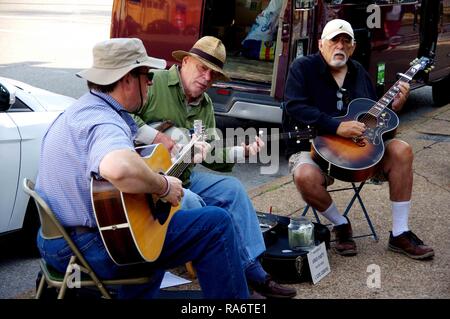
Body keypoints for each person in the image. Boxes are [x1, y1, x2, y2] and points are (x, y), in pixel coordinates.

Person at [35, 38, 251, 299]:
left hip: (56, 240)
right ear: (127, 79)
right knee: (216, 224)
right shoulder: (105, 123)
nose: (151, 81)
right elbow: (118, 169)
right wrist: (163, 186)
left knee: (151, 227)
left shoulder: (79, 109)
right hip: (85, 248)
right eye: (146, 75)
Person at [132, 36, 297, 298]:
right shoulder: (155, 82)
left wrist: (241, 151)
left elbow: (211, 154)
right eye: (202, 68)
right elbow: (122, 112)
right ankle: (246, 277)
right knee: (198, 204)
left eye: (214, 74)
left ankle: (254, 270)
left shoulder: (206, 105)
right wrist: (155, 136)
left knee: (231, 188)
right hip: (149, 185)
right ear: (185, 61)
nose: (207, 77)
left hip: (184, 176)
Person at [284, 19, 434, 260]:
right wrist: (336, 126)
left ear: (353, 47)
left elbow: (372, 119)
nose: (340, 46)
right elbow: (294, 106)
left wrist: (395, 107)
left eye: (346, 41)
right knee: (304, 175)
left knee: (402, 149)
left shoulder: (359, 72)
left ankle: (400, 232)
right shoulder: (302, 67)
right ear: (321, 43)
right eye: (334, 40)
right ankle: (340, 224)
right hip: (314, 147)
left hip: (361, 153)